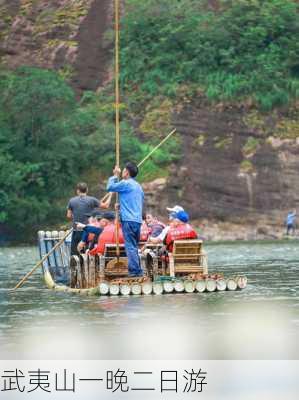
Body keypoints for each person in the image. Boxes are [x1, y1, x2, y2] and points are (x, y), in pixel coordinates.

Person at [106, 162, 144, 277]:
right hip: (137, 220)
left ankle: (134, 272)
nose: (121, 172)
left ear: (126, 172)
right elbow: (137, 201)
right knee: (134, 246)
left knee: (130, 247)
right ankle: (137, 271)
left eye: (122, 170)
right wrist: (121, 207)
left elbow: (110, 187)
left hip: (128, 220)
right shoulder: (138, 186)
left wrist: (114, 175)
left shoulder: (125, 183)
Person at [67, 182, 110, 255]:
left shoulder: (72, 201)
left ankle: (75, 265)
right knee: (86, 254)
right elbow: (106, 206)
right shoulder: (92, 200)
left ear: (78, 191)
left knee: (75, 254)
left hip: (76, 230)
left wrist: (76, 216)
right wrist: (110, 195)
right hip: (88, 231)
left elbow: (68, 216)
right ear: (87, 190)